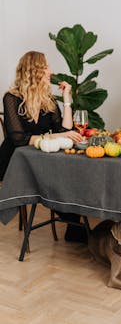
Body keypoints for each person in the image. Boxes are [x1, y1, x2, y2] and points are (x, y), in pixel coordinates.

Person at [0, 51, 87, 242]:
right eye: (46, 66)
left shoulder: (48, 100)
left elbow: (65, 128)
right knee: (55, 177)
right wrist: (58, 135)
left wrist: (66, 99)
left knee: (66, 174)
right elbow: (18, 138)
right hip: (16, 160)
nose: (51, 71)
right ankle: (73, 223)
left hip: (43, 157)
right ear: (35, 71)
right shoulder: (11, 98)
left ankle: (73, 224)